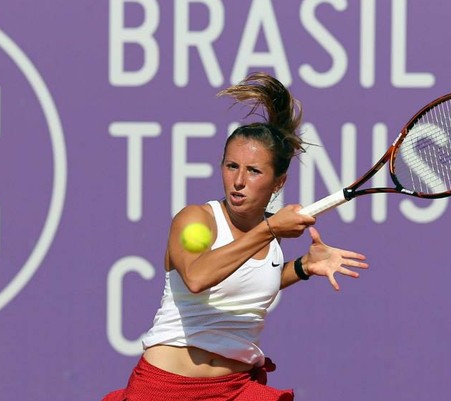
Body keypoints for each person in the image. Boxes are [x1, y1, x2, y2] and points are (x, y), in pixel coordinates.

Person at [102, 72, 368, 401]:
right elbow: (198, 278)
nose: (238, 181)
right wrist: (269, 229)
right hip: (166, 387)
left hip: (234, 388)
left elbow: (247, 282)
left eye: (254, 171)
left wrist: (301, 267)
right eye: (231, 166)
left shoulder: (272, 234)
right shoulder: (195, 218)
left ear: (278, 182)